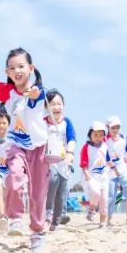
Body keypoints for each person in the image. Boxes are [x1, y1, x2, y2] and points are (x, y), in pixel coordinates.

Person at [0, 45, 51, 250]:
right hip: (16, 145)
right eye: (12, 68)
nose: (17, 71)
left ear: (31, 68)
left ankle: (38, 231)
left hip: (39, 148)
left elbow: (35, 96)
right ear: (7, 72)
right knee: (13, 179)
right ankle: (15, 218)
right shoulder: (7, 91)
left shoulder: (38, 91)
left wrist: (32, 94)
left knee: (37, 195)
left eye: (21, 66)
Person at [44, 90, 77, 231]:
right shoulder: (42, 122)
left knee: (62, 191)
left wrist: (70, 153)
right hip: (48, 160)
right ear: (46, 107)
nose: (56, 107)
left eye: (59, 104)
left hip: (64, 161)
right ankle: (46, 213)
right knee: (52, 181)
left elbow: (72, 138)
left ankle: (56, 221)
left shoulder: (67, 122)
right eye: (52, 104)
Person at [105, 115, 127, 225]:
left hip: (122, 168)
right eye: (113, 127)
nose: (115, 130)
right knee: (111, 195)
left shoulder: (124, 138)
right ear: (108, 128)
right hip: (109, 170)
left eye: (117, 127)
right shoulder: (105, 140)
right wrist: (113, 168)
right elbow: (104, 156)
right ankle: (109, 218)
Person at [80, 121, 112, 227]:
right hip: (92, 177)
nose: (98, 137)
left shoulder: (105, 146)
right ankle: (92, 209)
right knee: (96, 193)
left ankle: (103, 222)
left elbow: (108, 159)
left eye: (101, 135)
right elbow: (83, 163)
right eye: (95, 135)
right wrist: (87, 175)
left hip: (104, 177)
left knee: (104, 201)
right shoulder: (86, 147)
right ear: (90, 135)